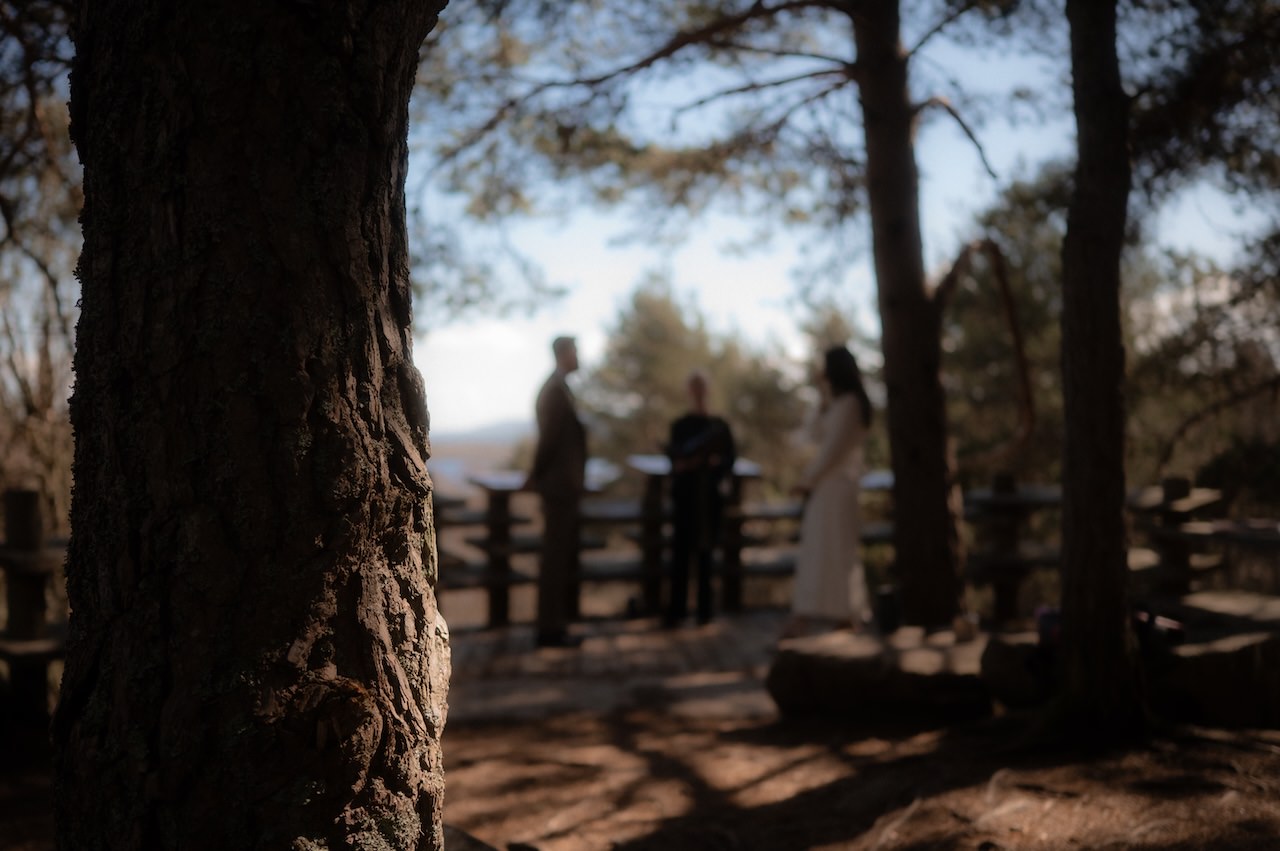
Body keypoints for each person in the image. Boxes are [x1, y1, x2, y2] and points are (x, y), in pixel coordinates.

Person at [783, 345, 874, 639]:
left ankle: (844, 613)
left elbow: (833, 451)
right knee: (818, 551)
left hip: (838, 488)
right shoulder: (835, 403)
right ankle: (814, 614)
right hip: (826, 490)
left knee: (837, 552)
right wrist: (821, 394)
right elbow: (812, 436)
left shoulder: (850, 404)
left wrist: (807, 480)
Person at [525, 336, 587, 648]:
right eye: (575, 351)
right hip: (559, 489)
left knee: (559, 559)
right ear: (563, 354)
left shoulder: (559, 389)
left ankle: (554, 626)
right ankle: (549, 630)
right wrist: (534, 475)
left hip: (563, 488)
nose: (579, 356)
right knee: (554, 560)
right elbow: (548, 441)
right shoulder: (555, 392)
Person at [665, 370, 736, 627]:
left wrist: (712, 463)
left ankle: (705, 611)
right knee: (681, 554)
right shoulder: (680, 425)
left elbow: (730, 460)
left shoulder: (719, 426)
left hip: (709, 499)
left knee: (707, 553)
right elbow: (673, 459)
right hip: (685, 498)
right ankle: (677, 610)